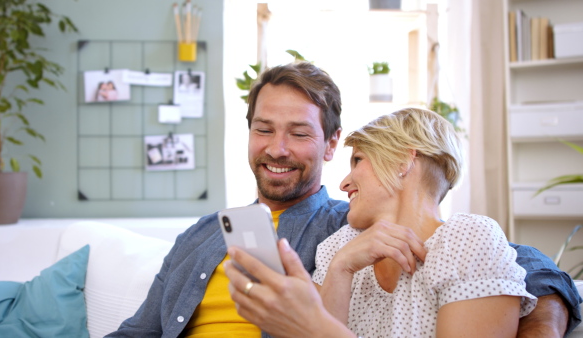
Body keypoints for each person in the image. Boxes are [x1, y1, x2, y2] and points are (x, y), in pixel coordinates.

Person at [108, 62, 581, 337]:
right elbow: (139, 331)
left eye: (298, 133)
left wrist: (542, 325)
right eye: (263, 130)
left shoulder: (347, 228)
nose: (276, 148)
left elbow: (528, 265)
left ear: (330, 145)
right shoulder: (204, 233)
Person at [256, 108, 539, 337]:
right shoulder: (339, 249)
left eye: (358, 160)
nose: (343, 183)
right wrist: (341, 268)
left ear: (403, 161)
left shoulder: (466, 240)